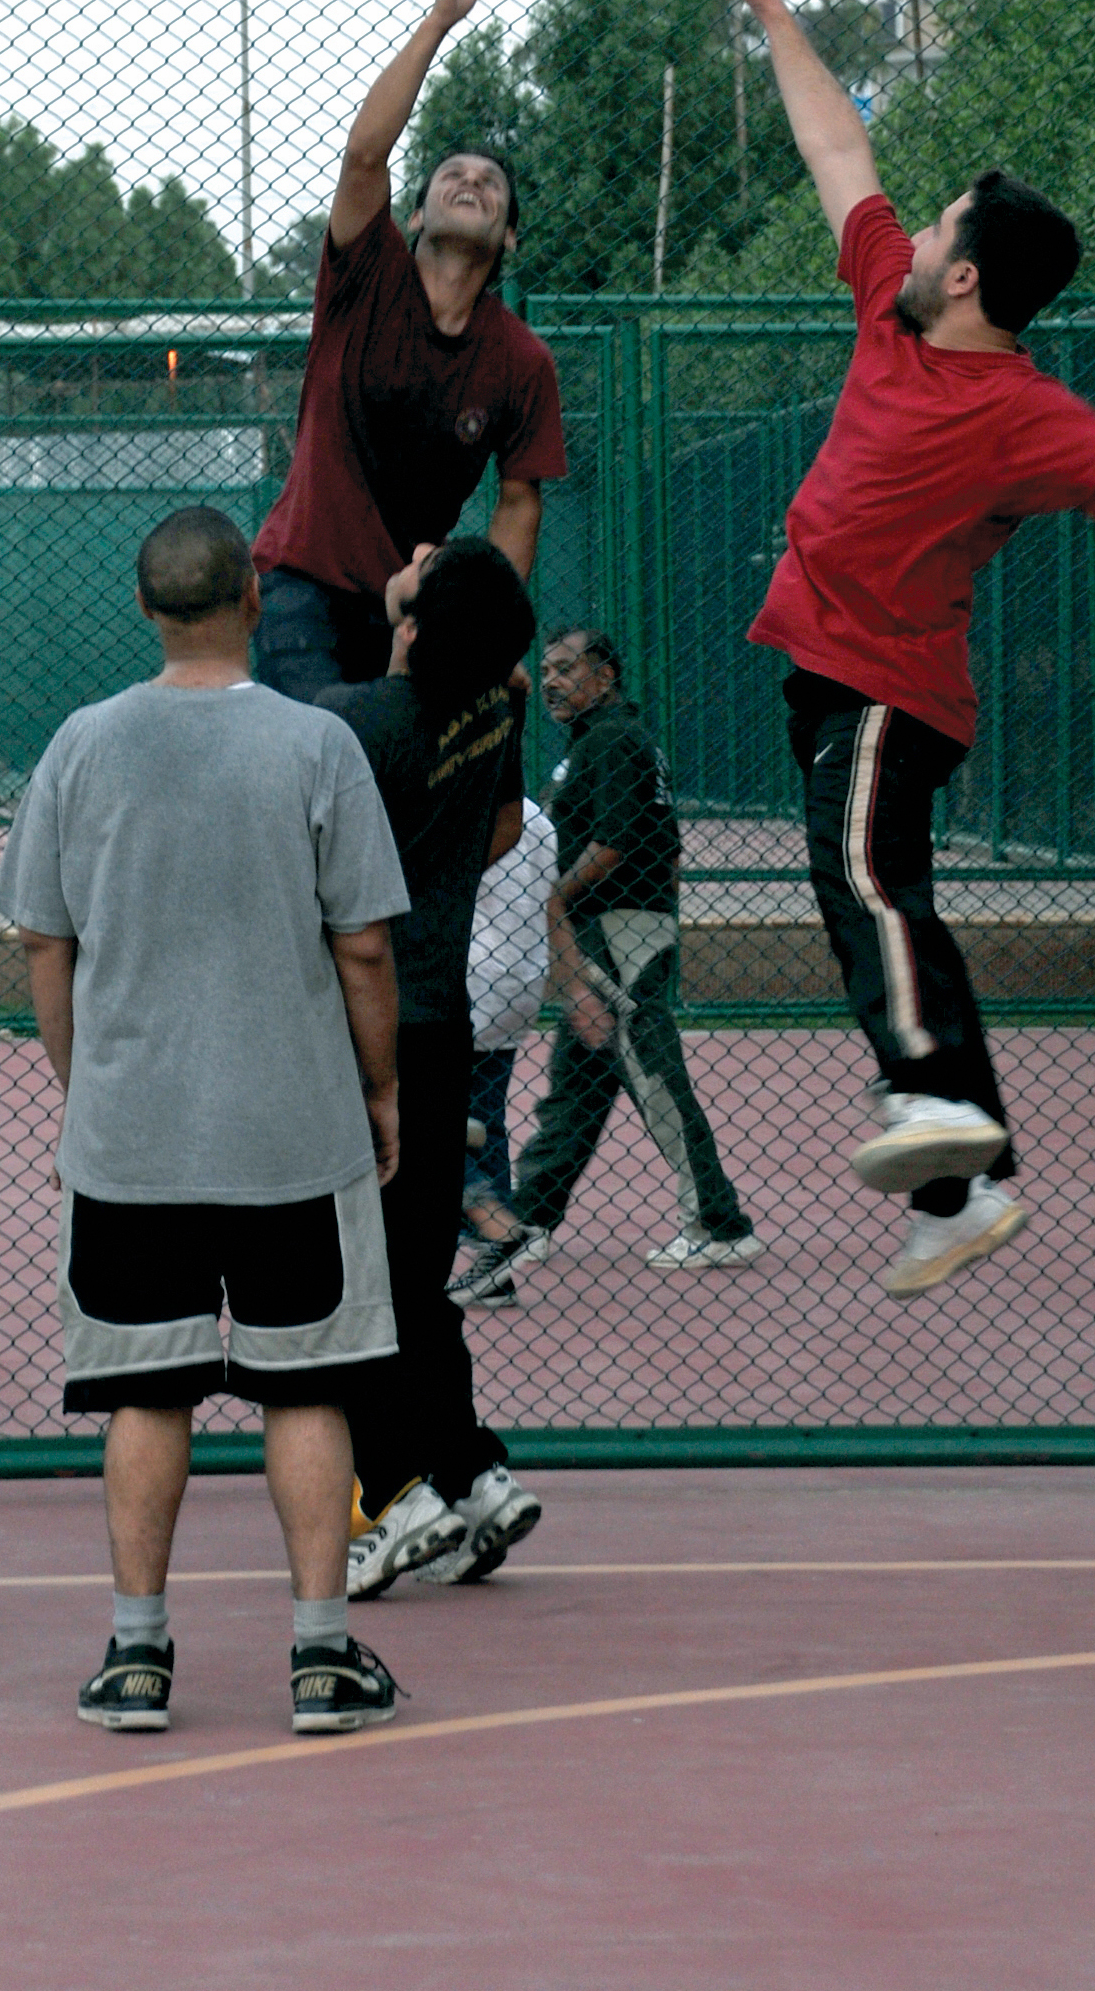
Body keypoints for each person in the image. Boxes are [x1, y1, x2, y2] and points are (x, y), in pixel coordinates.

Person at [716, 0, 1095, 1295]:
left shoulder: (1022, 412)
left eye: (941, 224)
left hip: (892, 684)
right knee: (868, 900)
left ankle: (934, 1098)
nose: (917, 223)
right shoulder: (890, 300)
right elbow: (838, 147)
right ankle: (961, 1186)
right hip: (820, 671)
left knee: (860, 871)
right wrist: (770, 7)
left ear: (970, 276)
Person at [0, 507, 410, 1735]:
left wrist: (91, 1082)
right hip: (293, 1125)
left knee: (146, 1393)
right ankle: (323, 1656)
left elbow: (42, 941)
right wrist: (378, 1087)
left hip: (134, 1134)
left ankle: (136, 1654)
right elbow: (368, 947)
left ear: (145, 608)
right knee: (309, 1390)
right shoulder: (316, 743)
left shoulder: (80, 745)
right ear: (248, 596)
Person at [252, 0, 567, 701]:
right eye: (452, 174)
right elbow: (365, 154)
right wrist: (439, 21)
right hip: (301, 582)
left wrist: (487, 624)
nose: (472, 182)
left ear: (510, 236)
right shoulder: (365, 274)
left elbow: (519, 501)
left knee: (406, 794)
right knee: (325, 753)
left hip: (410, 603)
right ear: (416, 214)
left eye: (491, 183)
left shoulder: (521, 360)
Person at [318, 535, 544, 1594]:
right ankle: (474, 1471)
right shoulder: (501, 706)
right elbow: (498, 830)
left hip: (365, 1029)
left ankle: (395, 1491)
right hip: (443, 1019)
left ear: (415, 620)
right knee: (414, 1272)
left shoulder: (359, 722)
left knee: (349, 1277)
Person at [454, 630, 759, 1305]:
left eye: (567, 669)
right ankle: (528, 1217)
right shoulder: (613, 741)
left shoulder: (613, 742)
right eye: (548, 670)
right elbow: (668, 850)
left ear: (605, 672)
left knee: (652, 1072)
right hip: (611, 929)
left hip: (619, 928)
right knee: (577, 1085)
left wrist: (554, 897)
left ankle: (717, 1222)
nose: (554, 681)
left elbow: (613, 843)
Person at [456, 794, 560, 1304]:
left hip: (468, 976)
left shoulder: (459, 807)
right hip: (520, 980)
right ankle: (497, 1270)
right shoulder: (533, 813)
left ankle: (496, 1226)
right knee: (485, 1117)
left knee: (418, 1112)